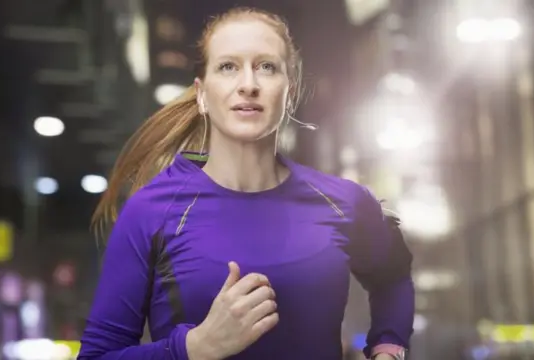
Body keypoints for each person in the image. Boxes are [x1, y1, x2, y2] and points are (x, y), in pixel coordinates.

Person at [78, 7, 414, 360]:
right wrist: (193, 349)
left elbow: (393, 277)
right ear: (203, 94)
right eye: (228, 67)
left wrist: (388, 348)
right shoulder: (153, 211)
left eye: (266, 67)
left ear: (290, 91)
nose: (249, 85)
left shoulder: (343, 201)